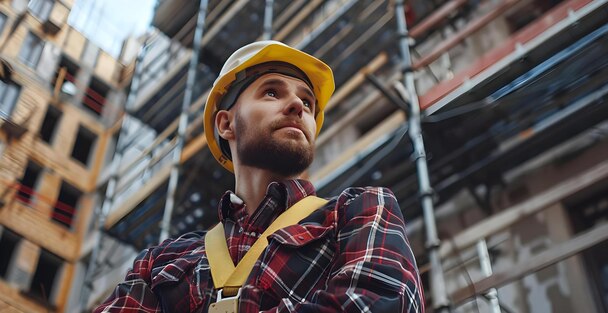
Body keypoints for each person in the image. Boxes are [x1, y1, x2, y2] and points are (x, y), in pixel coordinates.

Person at [95, 40, 425, 313]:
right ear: (225, 124)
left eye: (308, 102)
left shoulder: (358, 212)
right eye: (271, 92)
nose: (298, 105)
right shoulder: (161, 263)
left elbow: (380, 305)